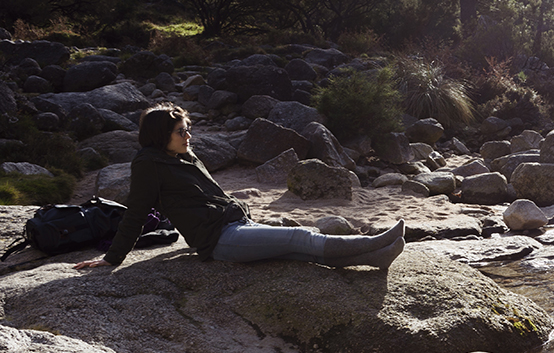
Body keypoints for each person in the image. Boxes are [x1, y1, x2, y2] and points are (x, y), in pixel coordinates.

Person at [74, 105, 405, 270]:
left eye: (188, 128)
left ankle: (376, 258)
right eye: (180, 131)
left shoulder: (183, 157)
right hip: (220, 242)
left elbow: (211, 194)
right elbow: (137, 211)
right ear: (161, 136)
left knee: (297, 254)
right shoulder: (149, 164)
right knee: (299, 237)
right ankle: (372, 241)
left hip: (234, 225)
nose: (188, 135)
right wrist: (112, 259)